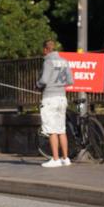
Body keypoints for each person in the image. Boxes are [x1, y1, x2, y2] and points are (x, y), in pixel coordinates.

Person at [37, 39, 74, 168]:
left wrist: (38, 84)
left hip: (50, 98)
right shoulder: (64, 61)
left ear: (46, 49)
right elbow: (70, 81)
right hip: (62, 97)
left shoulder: (48, 61)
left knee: (51, 130)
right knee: (61, 130)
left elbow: (44, 80)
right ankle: (65, 158)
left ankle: (55, 159)